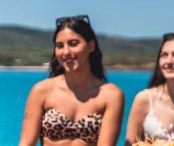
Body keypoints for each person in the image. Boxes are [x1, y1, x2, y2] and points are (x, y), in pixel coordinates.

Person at [19, 15, 124, 146]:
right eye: (59, 46)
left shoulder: (111, 95)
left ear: (91, 46)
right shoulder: (41, 91)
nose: (66, 51)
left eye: (73, 44)